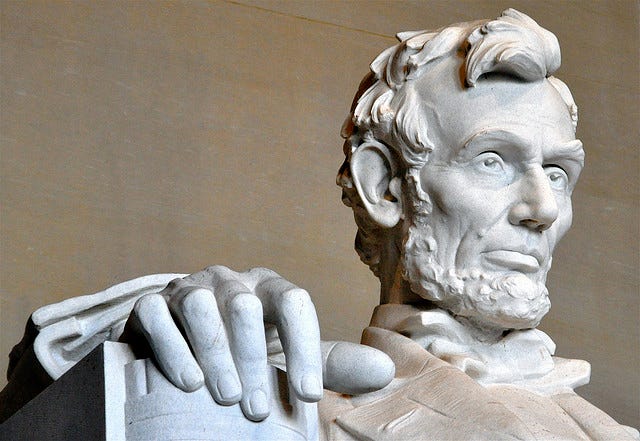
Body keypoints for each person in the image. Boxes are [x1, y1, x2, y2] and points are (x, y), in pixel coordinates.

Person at [1, 9, 637, 440]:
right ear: (384, 186)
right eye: (494, 160)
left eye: (557, 172)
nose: (544, 208)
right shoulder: (295, 409)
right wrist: (145, 333)